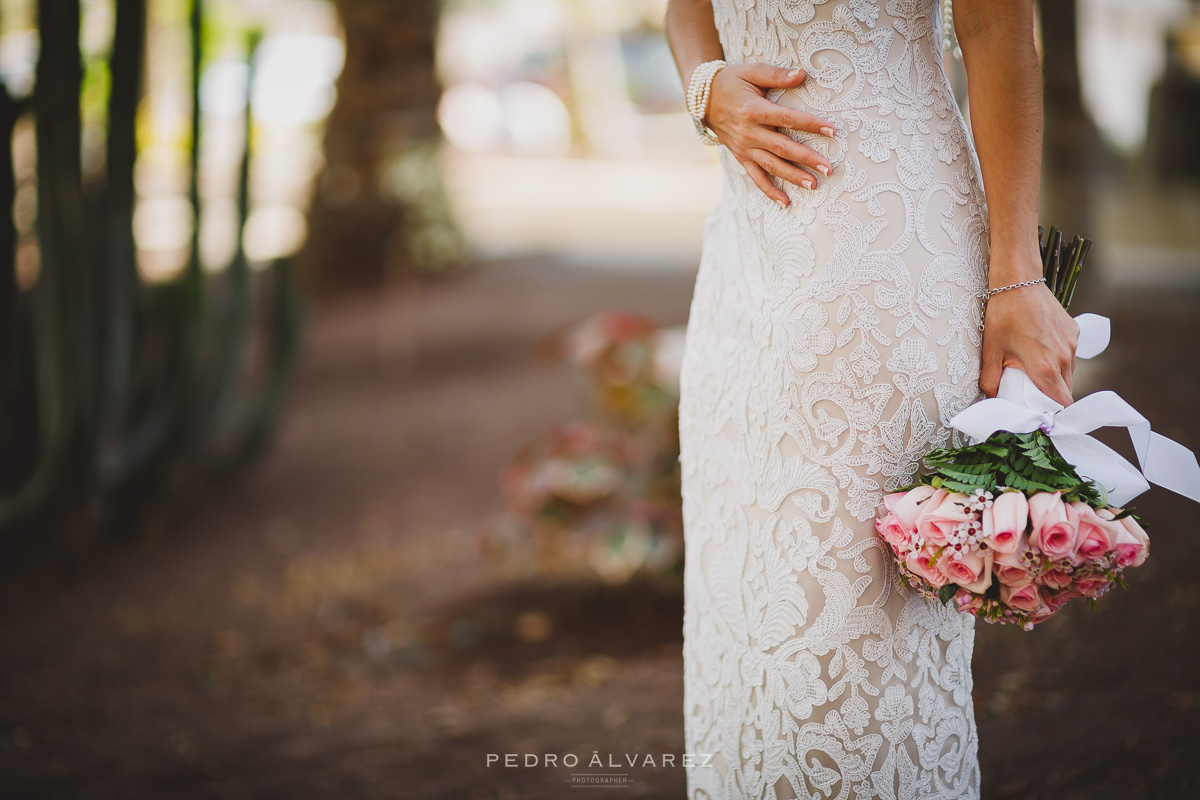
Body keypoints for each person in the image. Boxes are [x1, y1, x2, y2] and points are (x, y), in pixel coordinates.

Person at [666, 0, 1079, 797]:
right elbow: (684, 13)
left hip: (885, 257)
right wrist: (706, 89)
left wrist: (1018, 279)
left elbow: (998, 32)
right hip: (743, 268)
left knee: (859, 624)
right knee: (744, 616)